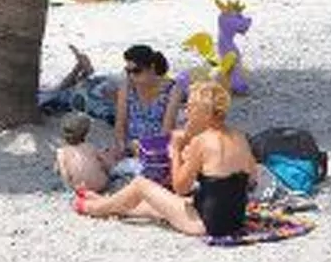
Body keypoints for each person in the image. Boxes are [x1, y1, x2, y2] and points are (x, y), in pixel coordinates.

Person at [75, 80, 258, 236]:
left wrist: (176, 151)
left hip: (206, 224)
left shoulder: (201, 141)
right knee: (150, 206)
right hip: (235, 220)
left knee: (140, 185)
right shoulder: (239, 136)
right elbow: (251, 179)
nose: (186, 111)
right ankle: (102, 201)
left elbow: (180, 187)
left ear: (206, 113)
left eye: (191, 107)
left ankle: (93, 208)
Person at [104, 44, 182, 165]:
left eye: (136, 71)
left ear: (151, 67)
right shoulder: (127, 87)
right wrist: (121, 146)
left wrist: (145, 151)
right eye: (128, 71)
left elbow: (166, 131)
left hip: (156, 148)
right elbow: (120, 124)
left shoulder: (172, 90)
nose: (131, 75)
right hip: (129, 146)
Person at [55, 111, 111, 193]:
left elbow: (64, 174)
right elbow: (106, 163)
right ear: (85, 133)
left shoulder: (61, 152)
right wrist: (107, 171)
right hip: (100, 184)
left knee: (58, 166)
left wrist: (69, 187)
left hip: (81, 188)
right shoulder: (90, 147)